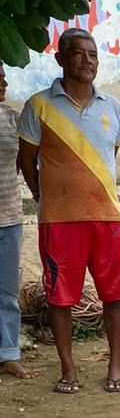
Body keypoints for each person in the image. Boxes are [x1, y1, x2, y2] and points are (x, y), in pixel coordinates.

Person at [17, 29, 120, 394]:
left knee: (115, 294)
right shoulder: (38, 106)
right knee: (59, 297)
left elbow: (107, 157)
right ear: (60, 59)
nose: (87, 61)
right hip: (58, 221)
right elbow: (27, 161)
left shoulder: (112, 107)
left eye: (93, 54)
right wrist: (44, 199)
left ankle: (115, 363)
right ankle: (68, 368)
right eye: (79, 53)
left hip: (108, 218)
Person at [0, 64, 34, 381]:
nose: (3, 80)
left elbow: (22, 164)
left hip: (8, 219)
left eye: (3, 75)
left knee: (7, 292)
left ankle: (8, 354)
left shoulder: (13, 118)